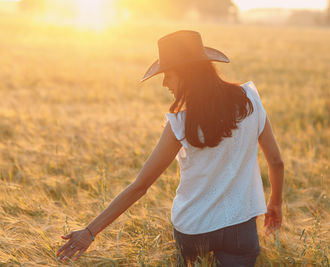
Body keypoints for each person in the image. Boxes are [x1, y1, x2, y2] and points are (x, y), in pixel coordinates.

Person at [56, 30, 284, 267]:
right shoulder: (250, 101)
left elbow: (140, 186)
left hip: (194, 232)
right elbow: (276, 161)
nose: (165, 83)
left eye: (168, 75)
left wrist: (90, 231)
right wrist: (275, 203)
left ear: (188, 75)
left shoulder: (181, 123)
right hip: (241, 229)